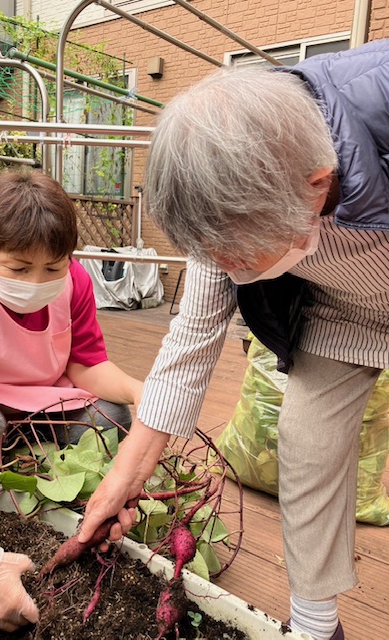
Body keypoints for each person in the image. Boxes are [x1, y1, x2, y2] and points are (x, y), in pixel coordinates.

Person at [79, 39, 389, 640]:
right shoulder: (228, 190)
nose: (223, 268)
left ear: (317, 185)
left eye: (237, 255)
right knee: (305, 437)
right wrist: (124, 478)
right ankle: (316, 622)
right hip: (343, 306)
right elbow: (191, 342)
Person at [0, 169, 143, 640]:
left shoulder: (72, 281)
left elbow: (86, 364)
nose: (37, 281)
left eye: (53, 268)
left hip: (42, 401)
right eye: (18, 269)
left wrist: (143, 393)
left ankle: (23, 471)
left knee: (113, 416)